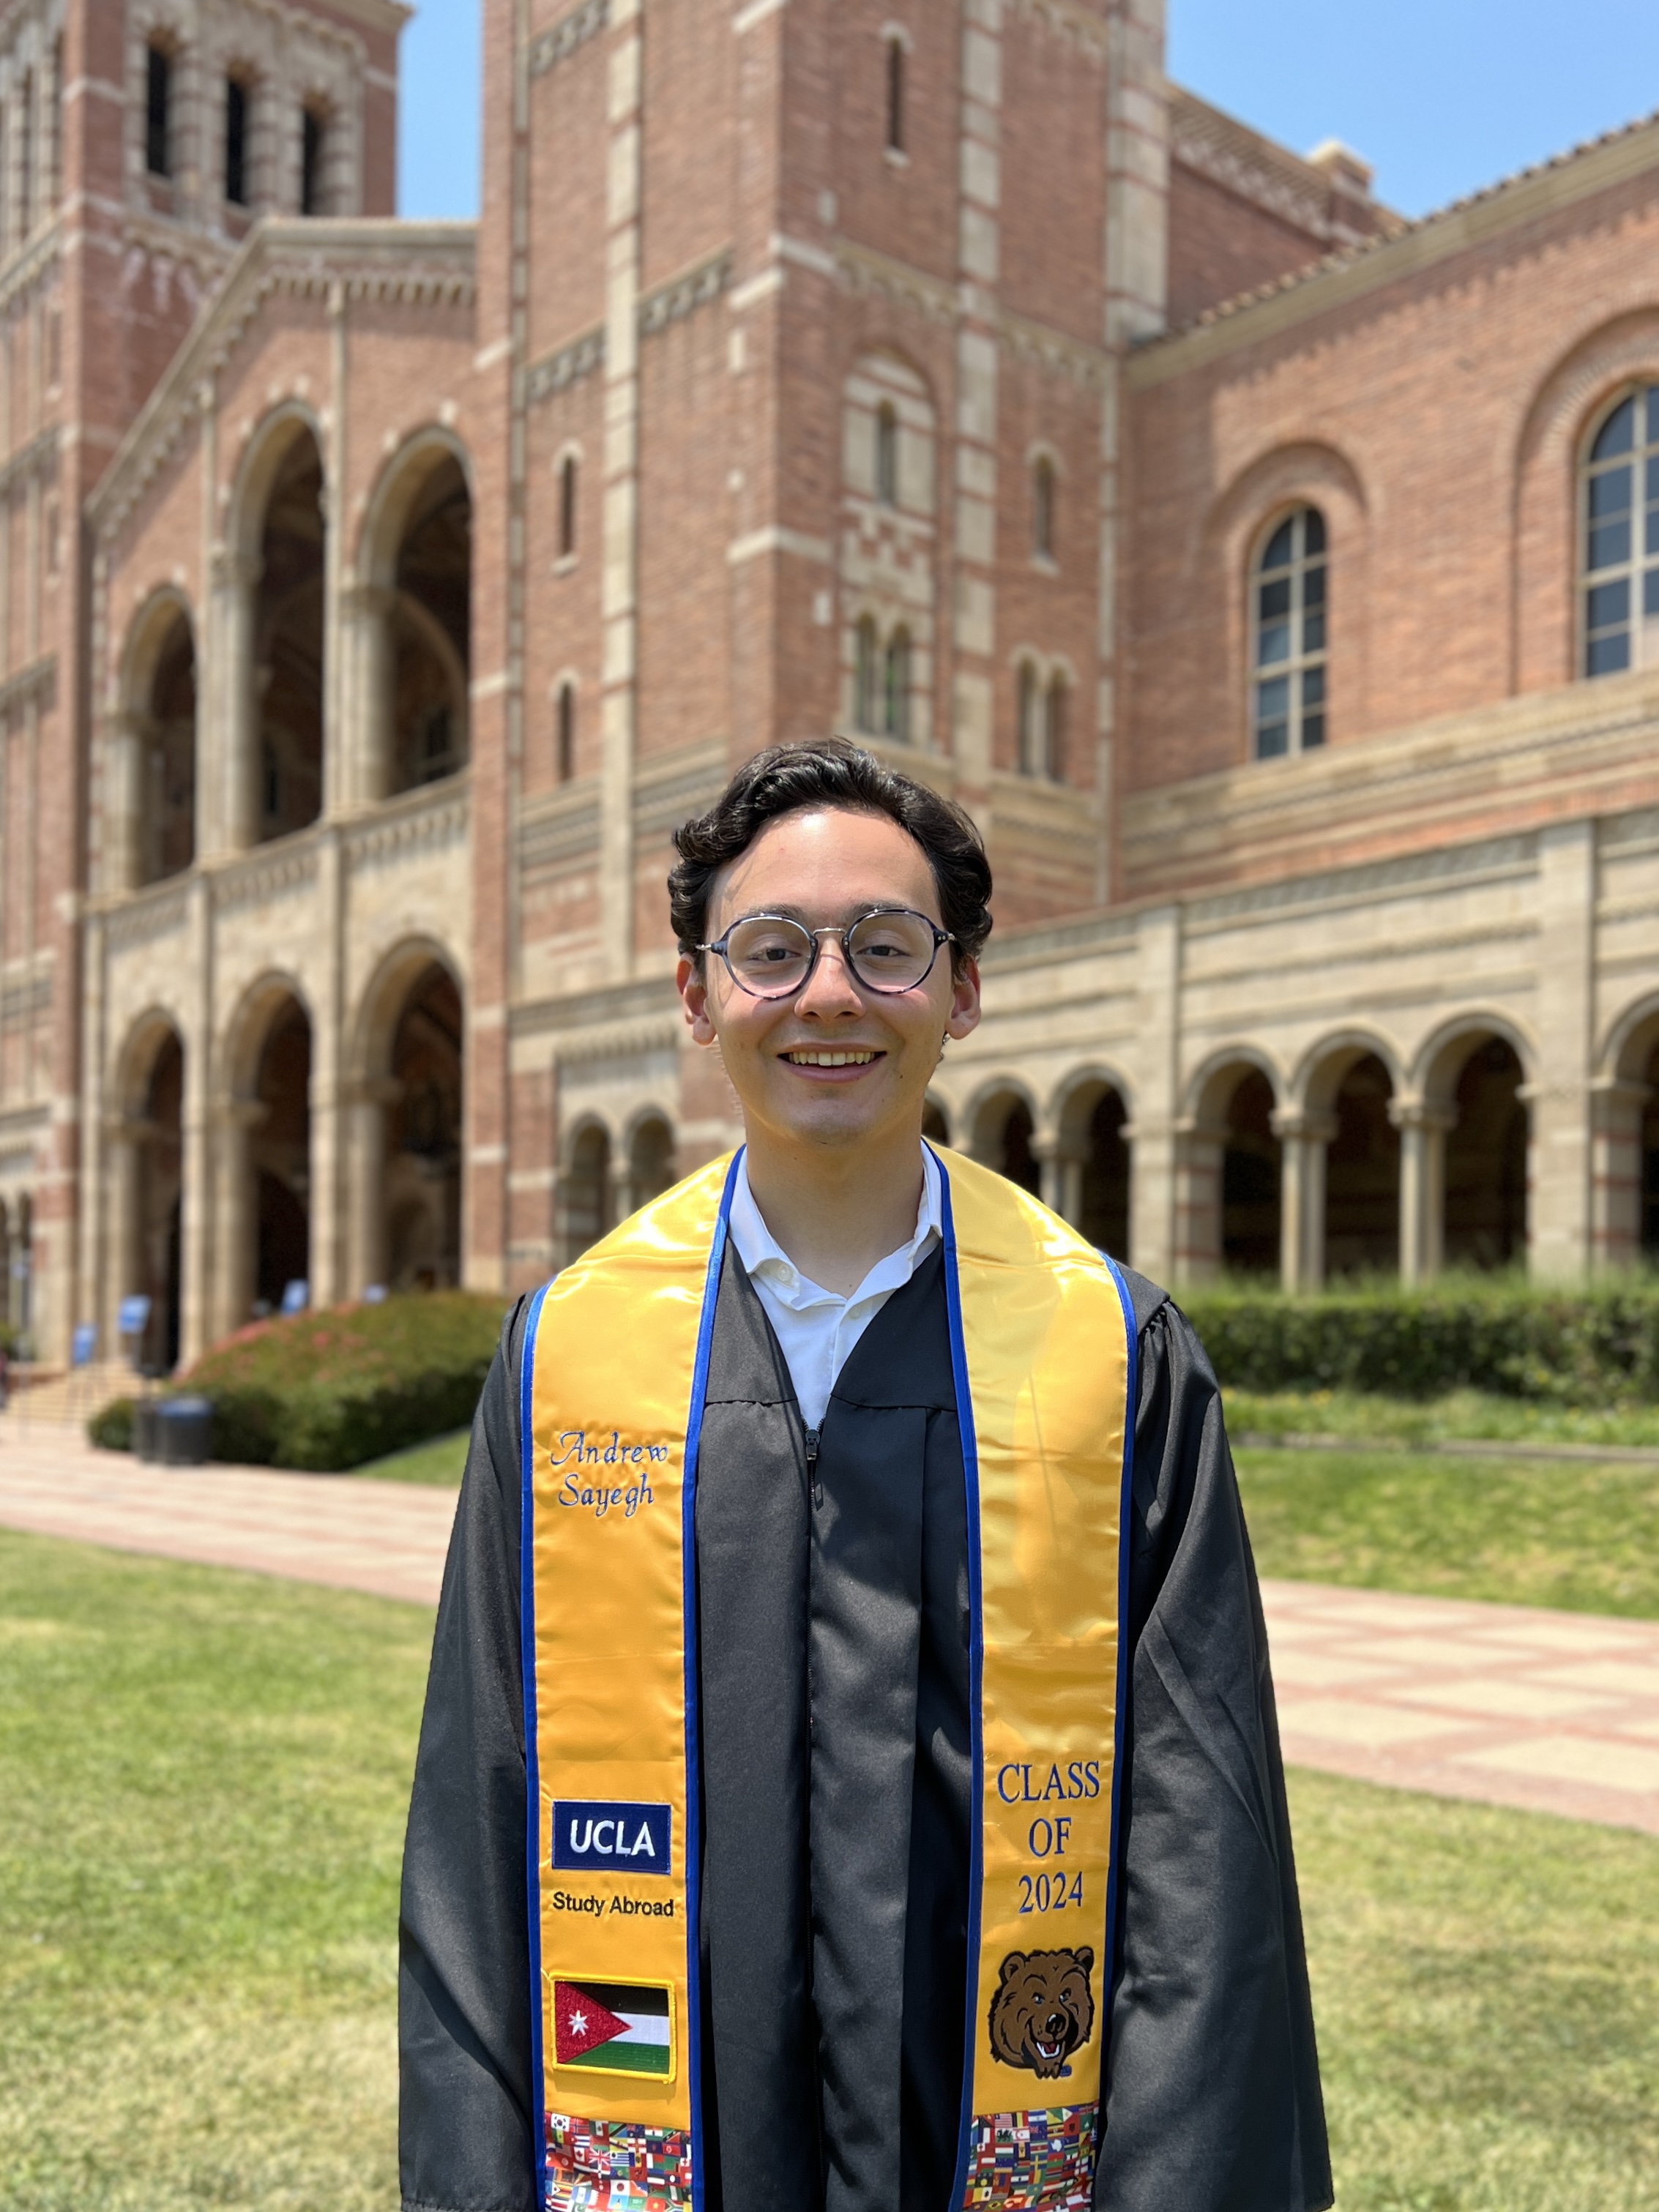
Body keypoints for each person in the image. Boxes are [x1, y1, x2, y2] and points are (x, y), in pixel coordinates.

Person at [399, 739, 1330, 2212]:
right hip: (667, 2136)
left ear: (960, 988)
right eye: (769, 950)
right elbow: (477, 1820)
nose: (827, 993)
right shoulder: (571, 1353)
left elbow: (1199, 1853)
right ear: (695, 994)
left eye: (885, 946)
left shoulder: (1109, 1352)